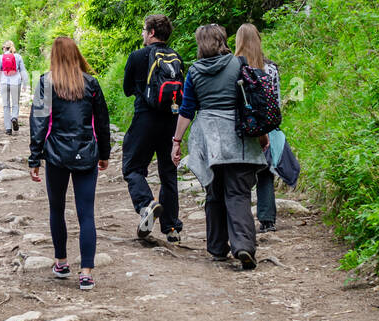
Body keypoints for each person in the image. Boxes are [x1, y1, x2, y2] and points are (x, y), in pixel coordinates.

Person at [170, 24, 267, 270]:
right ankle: (243, 245)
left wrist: (177, 141)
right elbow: (253, 101)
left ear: (200, 44)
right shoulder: (239, 64)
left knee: (214, 194)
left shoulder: (193, 71)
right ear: (223, 40)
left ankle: (217, 247)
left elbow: (187, 109)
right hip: (238, 135)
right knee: (238, 193)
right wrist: (263, 135)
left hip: (207, 138)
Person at [28, 37, 111, 290]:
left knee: (57, 209)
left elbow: (38, 122)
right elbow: (102, 122)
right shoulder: (91, 84)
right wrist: (104, 153)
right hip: (86, 152)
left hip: (56, 154)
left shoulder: (46, 82)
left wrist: (34, 156)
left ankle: (61, 261)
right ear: (76, 55)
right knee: (86, 213)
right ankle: (86, 271)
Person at [121, 14, 184, 243]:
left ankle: (146, 204)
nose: (142, 34)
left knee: (132, 167)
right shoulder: (175, 56)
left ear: (152, 33)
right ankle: (171, 228)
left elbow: (127, 89)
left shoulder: (137, 56)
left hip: (145, 119)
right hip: (170, 120)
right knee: (168, 172)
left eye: (144, 30)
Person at [233, 23, 283, 232]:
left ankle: (240, 218)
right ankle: (267, 219)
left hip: (242, 127)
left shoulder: (234, 66)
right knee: (265, 172)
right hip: (266, 125)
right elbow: (277, 100)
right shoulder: (270, 67)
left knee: (240, 174)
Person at [0, 40, 28, 135]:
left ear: (4, 48)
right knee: (15, 103)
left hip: (4, 83)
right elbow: (23, 71)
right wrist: (25, 83)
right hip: (16, 82)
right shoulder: (18, 57)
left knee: (6, 105)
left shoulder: (0, 58)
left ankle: (8, 128)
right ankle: (14, 117)